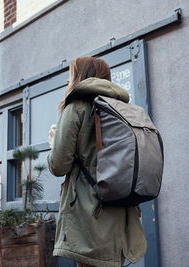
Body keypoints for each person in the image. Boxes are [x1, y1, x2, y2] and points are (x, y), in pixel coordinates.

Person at [47, 56, 147, 267]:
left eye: (71, 74)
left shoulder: (76, 107)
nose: (68, 81)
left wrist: (53, 143)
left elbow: (58, 165)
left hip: (90, 214)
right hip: (122, 210)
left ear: (81, 76)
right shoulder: (122, 108)